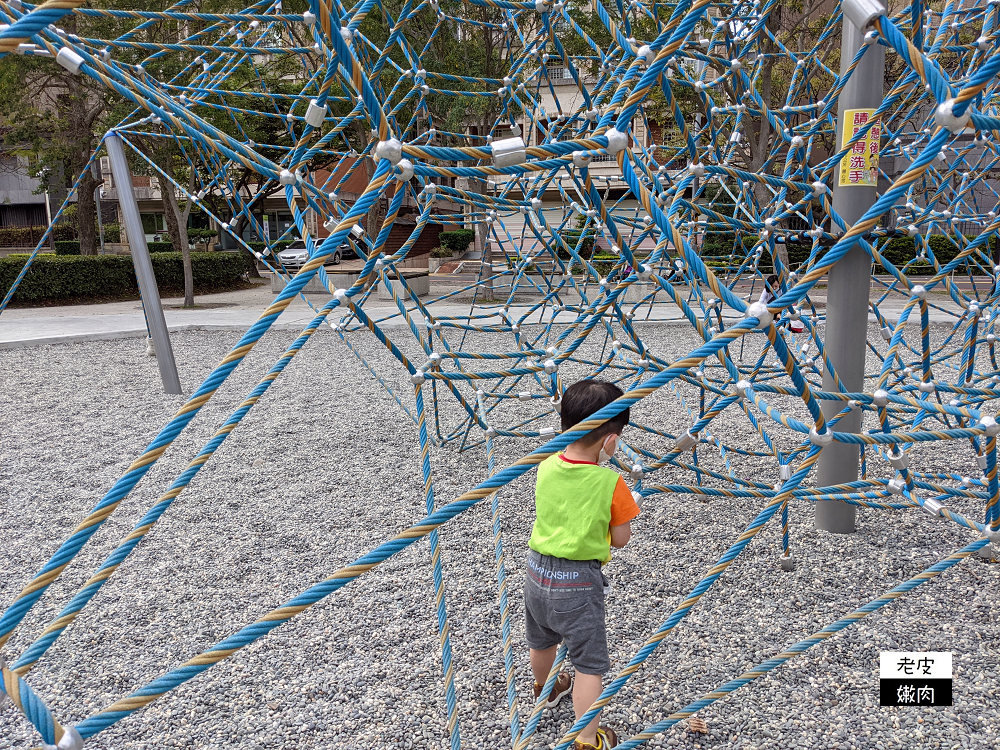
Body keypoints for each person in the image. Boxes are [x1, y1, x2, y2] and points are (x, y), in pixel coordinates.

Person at [524, 379, 641, 750]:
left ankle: (547, 688)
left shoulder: (545, 465)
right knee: (589, 664)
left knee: (541, 640)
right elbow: (621, 539)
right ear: (610, 441)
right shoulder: (610, 482)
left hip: (536, 573)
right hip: (577, 583)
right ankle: (588, 739)